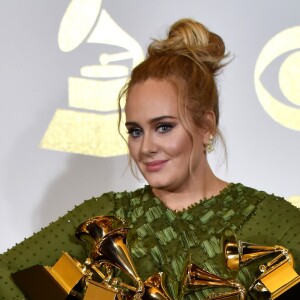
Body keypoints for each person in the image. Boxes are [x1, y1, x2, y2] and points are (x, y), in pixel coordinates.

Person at [1, 18, 300, 300]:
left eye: (164, 127)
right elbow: (6, 278)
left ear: (207, 125)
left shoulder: (271, 219)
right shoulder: (106, 216)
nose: (146, 147)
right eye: (135, 131)